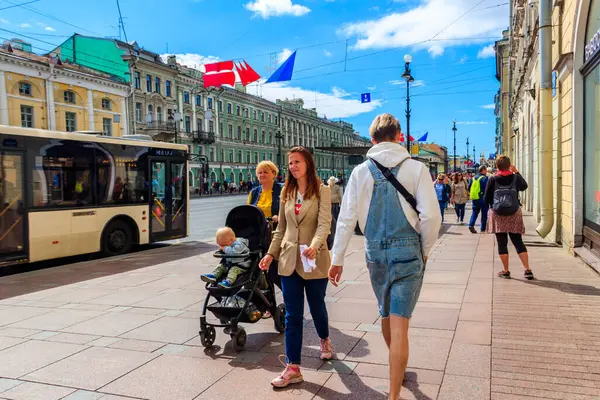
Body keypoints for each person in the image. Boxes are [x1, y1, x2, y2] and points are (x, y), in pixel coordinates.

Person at [329, 113, 442, 400]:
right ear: (399, 136)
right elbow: (431, 217)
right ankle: (394, 393)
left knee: (385, 312)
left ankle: (397, 368)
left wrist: (337, 258)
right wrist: (425, 250)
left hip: (375, 251)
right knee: (401, 322)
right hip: (408, 251)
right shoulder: (417, 169)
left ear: (372, 140)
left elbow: (346, 218)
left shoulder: (361, 172)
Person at [259, 146, 333, 388]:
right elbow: (281, 230)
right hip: (289, 260)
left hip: (313, 260)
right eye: (290, 162)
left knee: (317, 306)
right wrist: (271, 254)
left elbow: (324, 224)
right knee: (292, 316)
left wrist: (314, 244)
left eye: (297, 162)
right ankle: (293, 368)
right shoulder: (287, 192)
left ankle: (324, 339)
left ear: (308, 164)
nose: (293, 166)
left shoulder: (322, 191)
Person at [484, 156, 533, 280]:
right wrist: (516, 172)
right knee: (518, 241)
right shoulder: (515, 178)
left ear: (497, 166)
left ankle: (506, 271)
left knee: (502, 243)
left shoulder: (493, 179)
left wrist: (494, 205)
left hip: (498, 214)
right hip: (514, 213)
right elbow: (524, 186)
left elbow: (486, 199)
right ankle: (527, 270)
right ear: (510, 165)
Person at [248, 161, 283, 318]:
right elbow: (249, 212)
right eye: (260, 172)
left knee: (275, 272)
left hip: (276, 235)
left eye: (266, 172)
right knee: (261, 272)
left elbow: (288, 209)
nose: (262, 175)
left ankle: (291, 300)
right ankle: (268, 305)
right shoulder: (254, 192)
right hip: (259, 236)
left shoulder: (281, 190)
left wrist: (279, 217)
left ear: (273, 174)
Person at [469, 165, 489, 233]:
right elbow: (487, 189)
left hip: (475, 198)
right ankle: (482, 228)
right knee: (484, 213)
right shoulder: (484, 178)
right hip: (483, 198)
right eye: (486, 170)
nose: (486, 171)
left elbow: (469, 187)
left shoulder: (473, 178)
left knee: (474, 212)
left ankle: (471, 225)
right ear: (483, 170)